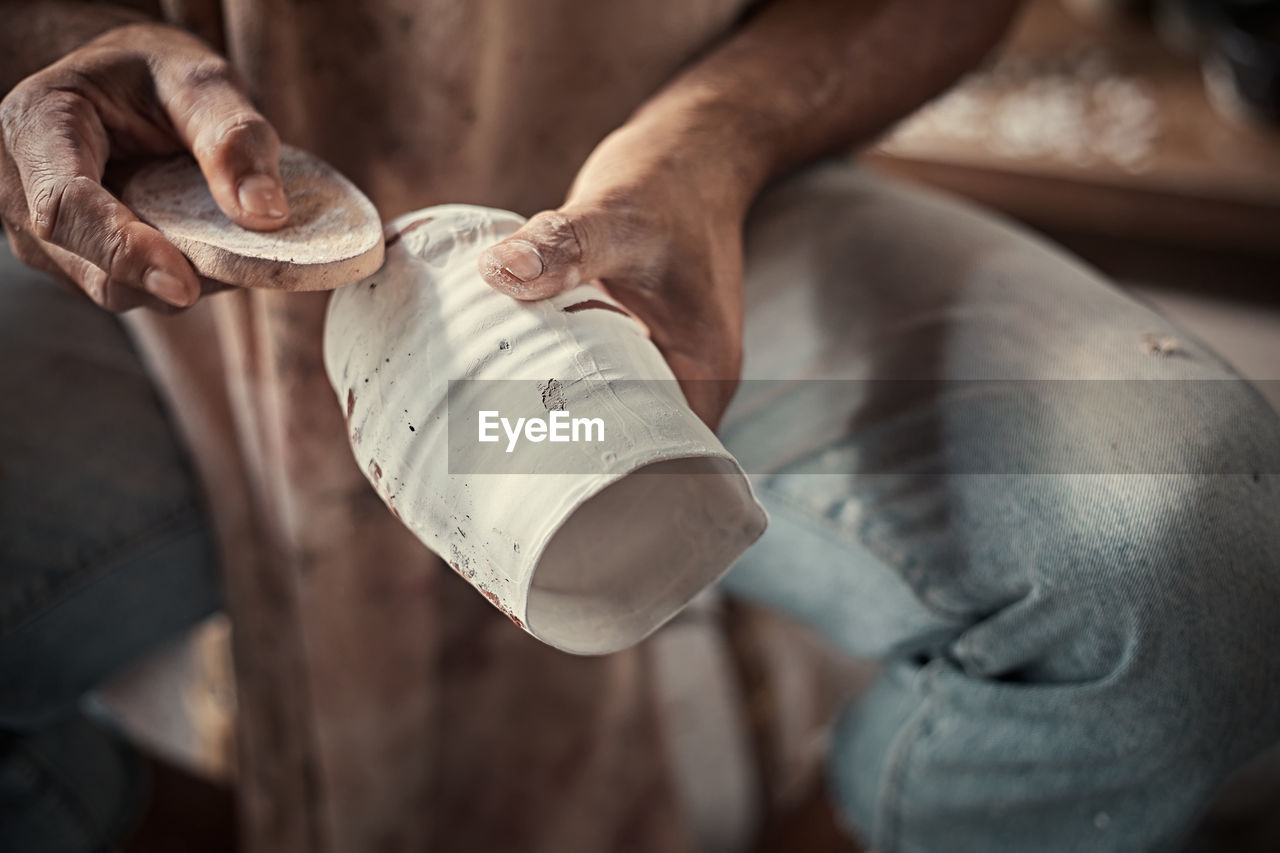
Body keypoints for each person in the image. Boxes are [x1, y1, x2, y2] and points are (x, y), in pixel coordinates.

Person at [3, 0, 1279, 850]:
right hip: (185, 263)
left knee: (1195, 564)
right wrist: (54, 41)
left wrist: (706, 145)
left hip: (671, 203)